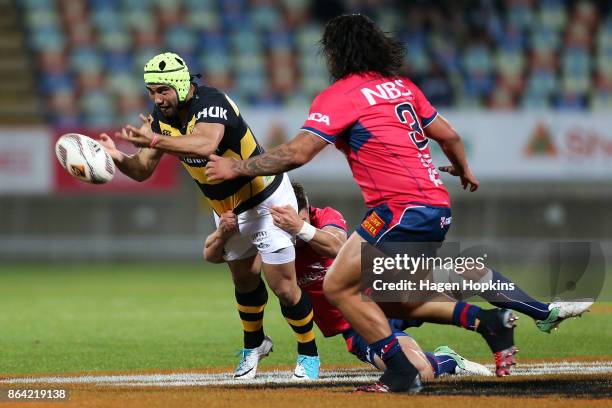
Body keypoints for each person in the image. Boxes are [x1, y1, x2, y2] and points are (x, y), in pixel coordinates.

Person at [205, 14, 520, 392]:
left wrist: (236, 166)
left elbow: (298, 153)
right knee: (390, 295)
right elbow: (449, 135)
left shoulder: (342, 95)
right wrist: (462, 169)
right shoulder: (402, 86)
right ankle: (483, 323)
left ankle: (410, 368)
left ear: (336, 53)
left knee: (340, 286)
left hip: (399, 208)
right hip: (430, 204)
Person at [98, 52, 320, 380]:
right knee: (244, 280)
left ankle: (308, 353)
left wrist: (156, 139)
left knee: (283, 286)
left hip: (266, 199)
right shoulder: (161, 119)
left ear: (181, 84)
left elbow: (205, 144)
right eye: (151, 92)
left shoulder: (212, 101)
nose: (157, 99)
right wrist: (116, 156)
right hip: (227, 209)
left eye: (163, 90)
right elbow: (143, 169)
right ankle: (254, 345)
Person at [205, 182, 492, 380]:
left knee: (466, 277)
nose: (287, 226)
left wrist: (300, 227)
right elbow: (214, 256)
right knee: (419, 371)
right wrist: (223, 234)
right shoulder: (274, 242)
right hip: (358, 325)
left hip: (385, 294)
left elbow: (339, 246)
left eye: (295, 217)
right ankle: (449, 361)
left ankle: (526, 313)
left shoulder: (324, 217)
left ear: (306, 210)